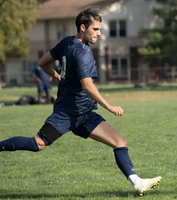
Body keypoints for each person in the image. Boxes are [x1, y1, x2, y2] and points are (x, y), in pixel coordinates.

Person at [0, 6, 161, 196]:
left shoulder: (67, 42)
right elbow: (87, 85)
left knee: (119, 142)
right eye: (95, 29)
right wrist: (109, 106)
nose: (99, 34)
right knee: (38, 143)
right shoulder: (83, 52)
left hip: (84, 113)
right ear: (83, 27)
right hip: (68, 112)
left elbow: (43, 62)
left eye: (100, 29)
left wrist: (58, 76)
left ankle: (137, 183)